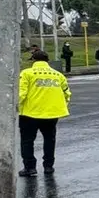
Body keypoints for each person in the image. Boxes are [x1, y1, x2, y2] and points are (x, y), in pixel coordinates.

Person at [18, 49, 71, 177]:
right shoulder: (58, 75)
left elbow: (21, 94)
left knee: (27, 141)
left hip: (30, 114)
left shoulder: (26, 73)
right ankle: (48, 166)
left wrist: (16, 107)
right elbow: (67, 93)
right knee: (49, 140)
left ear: (33, 61)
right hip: (51, 114)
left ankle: (30, 168)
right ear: (47, 61)